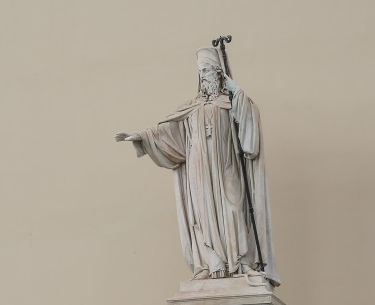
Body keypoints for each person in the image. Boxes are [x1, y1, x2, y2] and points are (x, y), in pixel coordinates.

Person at [116, 45, 278, 284]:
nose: (205, 76)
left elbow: (249, 128)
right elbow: (169, 134)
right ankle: (211, 263)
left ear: (219, 74)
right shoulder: (190, 109)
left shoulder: (231, 103)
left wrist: (237, 91)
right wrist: (142, 136)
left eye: (209, 70)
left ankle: (241, 262)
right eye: (201, 72)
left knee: (234, 208)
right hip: (199, 172)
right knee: (202, 217)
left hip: (226, 167)